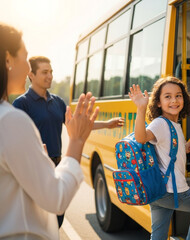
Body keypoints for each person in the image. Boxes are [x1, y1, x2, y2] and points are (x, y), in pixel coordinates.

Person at [0, 23, 99, 239]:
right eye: (25, 58)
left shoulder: (11, 116)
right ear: (8, 60)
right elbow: (56, 199)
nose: (28, 68)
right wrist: (76, 142)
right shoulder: (11, 119)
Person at [12, 56, 124, 228]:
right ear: (31, 75)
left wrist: (107, 124)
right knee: (38, 222)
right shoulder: (22, 104)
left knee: (57, 219)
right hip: (35, 168)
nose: (49, 76)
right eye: (44, 72)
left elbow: (79, 124)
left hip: (57, 167)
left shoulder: (57, 102)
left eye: (51, 72)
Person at [128, 77, 190, 240]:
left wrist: (184, 146)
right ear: (158, 102)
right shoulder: (160, 123)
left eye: (178, 95)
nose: (174, 100)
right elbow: (141, 137)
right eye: (167, 96)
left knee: (158, 235)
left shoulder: (174, 124)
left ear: (184, 99)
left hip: (158, 190)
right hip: (173, 190)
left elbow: (166, 147)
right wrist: (140, 109)